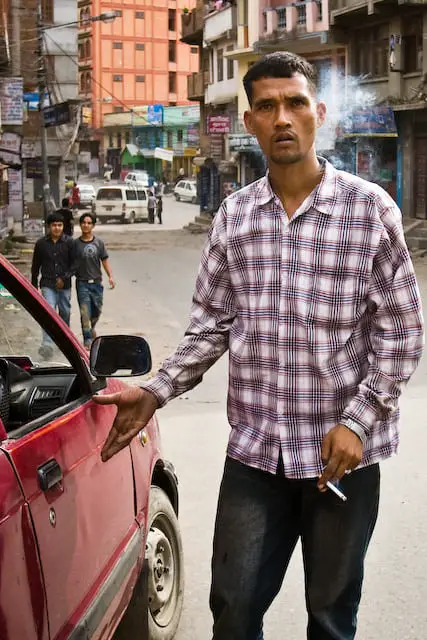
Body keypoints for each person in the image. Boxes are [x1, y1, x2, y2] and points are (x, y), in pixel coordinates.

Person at [93, 52, 425, 639]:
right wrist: (156, 390)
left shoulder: (368, 210)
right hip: (256, 457)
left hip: (342, 459)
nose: (283, 117)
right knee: (234, 608)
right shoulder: (235, 216)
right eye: (268, 106)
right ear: (250, 122)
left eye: (296, 102)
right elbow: (211, 324)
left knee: (330, 617)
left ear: (319, 113)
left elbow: (400, 331)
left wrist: (359, 419)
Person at [31, 212, 74, 360]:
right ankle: (47, 344)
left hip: (65, 286)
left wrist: (65, 277)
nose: (57, 228)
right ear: (49, 227)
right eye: (54, 225)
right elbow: (35, 265)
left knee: (65, 312)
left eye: (59, 225)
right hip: (47, 284)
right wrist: (33, 285)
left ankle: (65, 342)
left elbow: (74, 264)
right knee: (48, 313)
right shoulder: (41, 244)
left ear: (63, 227)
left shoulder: (69, 243)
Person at [74, 213, 115, 350]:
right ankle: (87, 340)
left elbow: (104, 261)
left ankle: (91, 330)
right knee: (85, 312)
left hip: (96, 283)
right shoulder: (75, 244)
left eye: (89, 223)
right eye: (83, 222)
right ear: (80, 225)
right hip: (82, 283)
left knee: (96, 311)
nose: (86, 225)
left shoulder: (99, 243)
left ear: (93, 225)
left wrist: (110, 276)